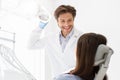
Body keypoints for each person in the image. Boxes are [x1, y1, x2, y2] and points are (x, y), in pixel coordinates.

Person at [28, 5, 83, 78]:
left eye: (69, 20)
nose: (66, 24)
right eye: (62, 21)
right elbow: (31, 45)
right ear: (57, 21)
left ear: (73, 20)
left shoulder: (82, 37)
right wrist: (40, 27)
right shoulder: (50, 38)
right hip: (57, 77)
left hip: (75, 77)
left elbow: (86, 62)